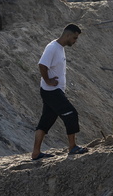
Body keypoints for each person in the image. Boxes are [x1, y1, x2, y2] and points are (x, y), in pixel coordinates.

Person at [31, 24, 87, 159]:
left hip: (54, 91)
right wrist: (48, 80)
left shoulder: (59, 48)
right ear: (67, 35)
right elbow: (42, 65)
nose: (75, 41)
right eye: (74, 38)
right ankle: (73, 147)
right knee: (71, 114)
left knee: (45, 122)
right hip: (52, 91)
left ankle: (36, 153)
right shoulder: (52, 47)